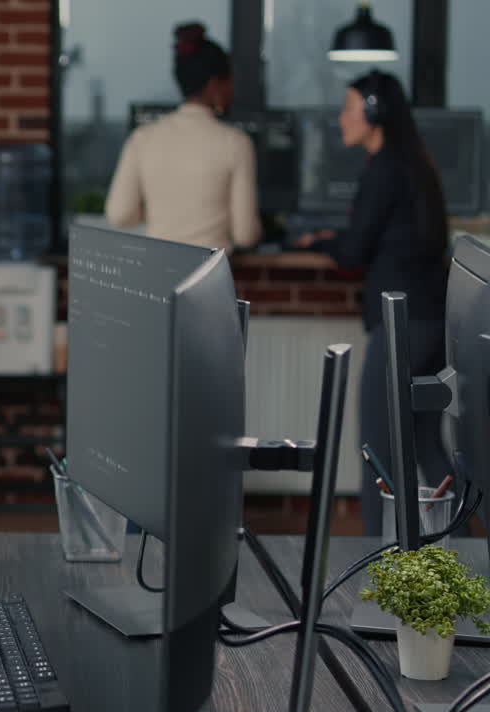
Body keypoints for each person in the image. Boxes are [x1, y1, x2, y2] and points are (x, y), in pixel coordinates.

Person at [295, 70, 452, 535]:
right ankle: (470, 555)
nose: (341, 118)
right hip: (430, 319)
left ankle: (374, 561)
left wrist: (315, 242)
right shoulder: (411, 165)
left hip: (400, 324)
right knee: (425, 443)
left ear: (374, 112)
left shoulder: (384, 169)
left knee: (377, 449)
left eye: (347, 108)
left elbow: (354, 251)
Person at [104, 21, 261, 252]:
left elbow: (119, 215)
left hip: (156, 277)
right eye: (230, 83)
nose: (232, 91)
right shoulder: (236, 142)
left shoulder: (143, 138)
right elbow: (245, 234)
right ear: (215, 84)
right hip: (209, 279)